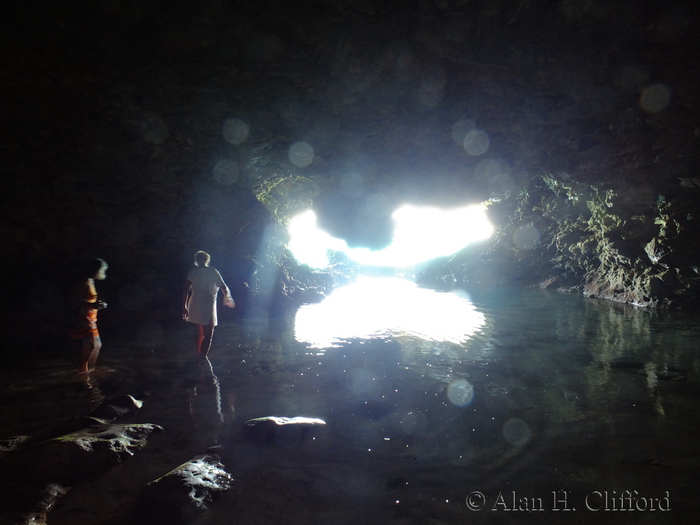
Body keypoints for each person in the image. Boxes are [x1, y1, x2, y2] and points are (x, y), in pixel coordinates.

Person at [182, 251, 235, 358]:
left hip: (194, 305)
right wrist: (227, 297)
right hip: (208, 305)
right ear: (208, 260)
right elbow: (224, 287)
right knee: (208, 334)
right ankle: (202, 359)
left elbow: (185, 290)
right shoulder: (213, 272)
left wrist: (184, 306)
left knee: (200, 333)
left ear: (196, 260)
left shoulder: (193, 272)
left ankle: (199, 356)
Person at [68, 258, 108, 373]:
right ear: (97, 270)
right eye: (102, 269)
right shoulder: (84, 281)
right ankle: (84, 372)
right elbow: (72, 299)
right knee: (92, 344)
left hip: (91, 318)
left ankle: (88, 370)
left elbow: (89, 299)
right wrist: (92, 304)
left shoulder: (90, 281)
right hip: (84, 318)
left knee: (93, 345)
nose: (103, 272)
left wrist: (99, 303)